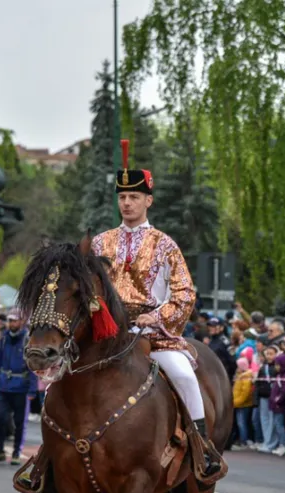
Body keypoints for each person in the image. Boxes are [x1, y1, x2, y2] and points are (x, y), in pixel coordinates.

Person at [91, 140, 219, 476]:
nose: (127, 203)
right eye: (122, 197)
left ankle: (201, 448)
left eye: (134, 197)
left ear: (149, 200)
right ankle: (46, 459)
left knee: (183, 375)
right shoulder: (100, 243)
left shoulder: (165, 245)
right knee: (64, 376)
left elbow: (184, 293)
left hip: (152, 334)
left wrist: (157, 316)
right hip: (106, 333)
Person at [0, 310, 37, 465]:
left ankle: (16, 452)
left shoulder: (28, 340)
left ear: (21, 322)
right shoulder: (4, 339)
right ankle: (0, 450)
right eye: (10, 321)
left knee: (20, 422)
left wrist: (32, 389)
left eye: (15, 321)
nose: (12, 324)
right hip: (4, 386)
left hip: (21, 387)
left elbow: (32, 365)